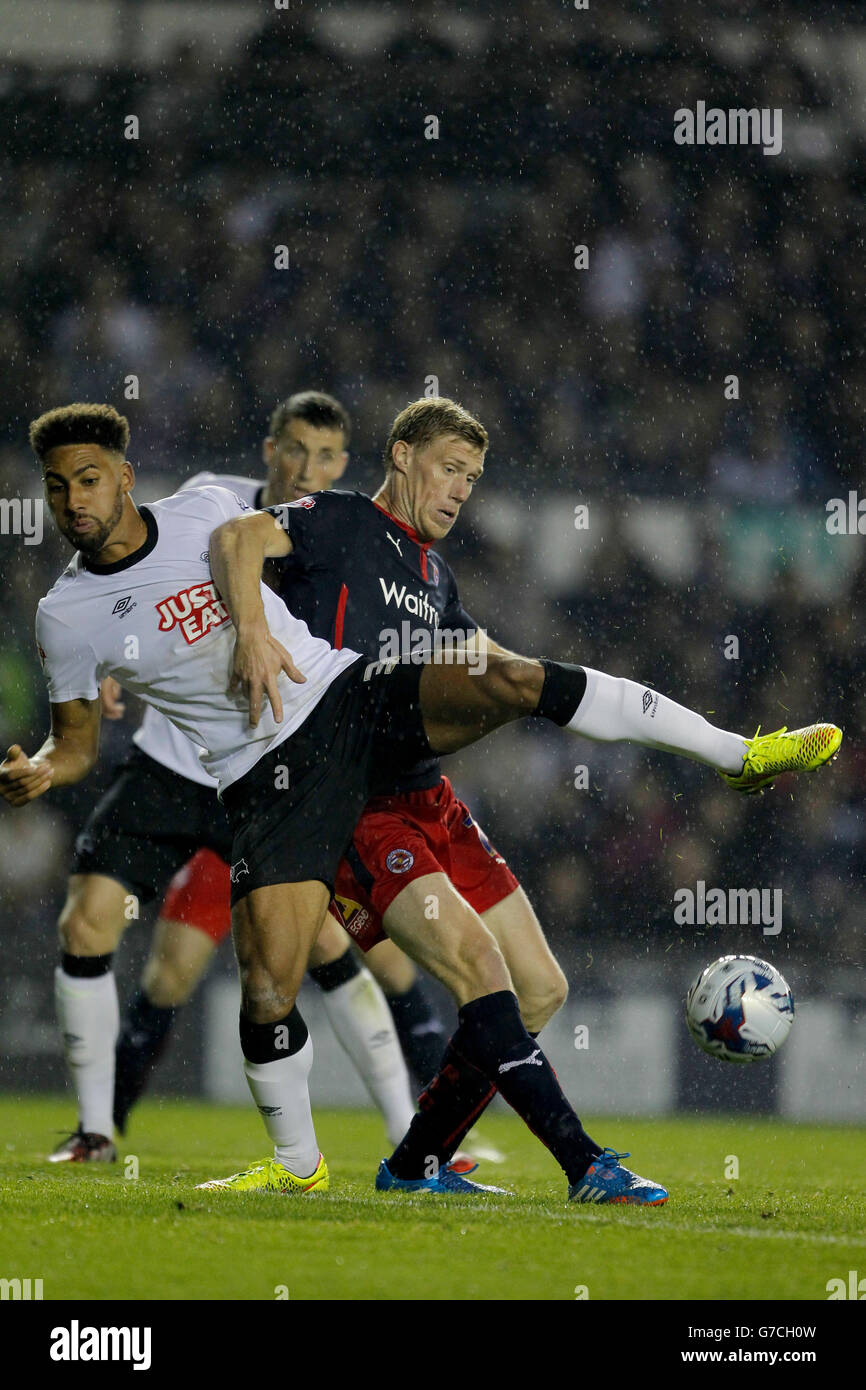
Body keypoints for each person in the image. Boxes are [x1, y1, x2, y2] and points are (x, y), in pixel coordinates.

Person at [2, 401, 840, 1207]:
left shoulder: (212, 505)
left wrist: (263, 631)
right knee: (267, 986)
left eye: (90, 479)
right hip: (266, 776)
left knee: (517, 686)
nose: (75, 500)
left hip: (342, 702)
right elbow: (74, 742)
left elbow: (237, 534)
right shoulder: (66, 617)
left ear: (125, 475)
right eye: (58, 485)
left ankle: (736, 753)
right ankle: (305, 1164)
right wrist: (43, 766)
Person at [106, 391, 452, 1145]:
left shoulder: (327, 530)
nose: (310, 467)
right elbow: (132, 562)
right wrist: (112, 646)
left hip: (286, 783)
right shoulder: (210, 505)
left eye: (328, 456)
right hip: (194, 777)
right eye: (297, 449)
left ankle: (420, 1130)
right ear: (269, 449)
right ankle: (99, 1131)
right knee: (171, 974)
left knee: (371, 957)